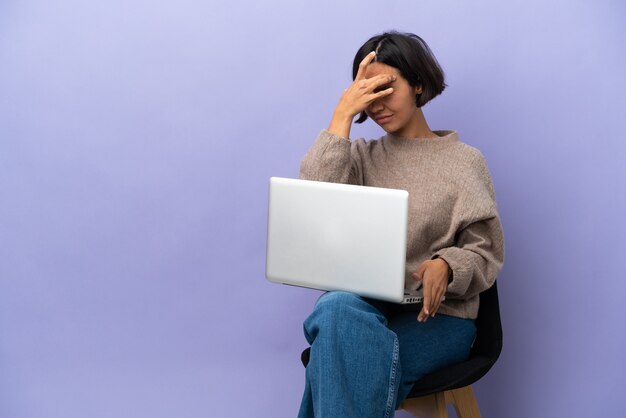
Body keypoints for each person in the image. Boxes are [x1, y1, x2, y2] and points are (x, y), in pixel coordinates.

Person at [297, 31, 505, 418]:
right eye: (367, 92)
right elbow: (314, 202)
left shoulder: (463, 161)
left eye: (386, 87)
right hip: (367, 308)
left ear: (418, 84)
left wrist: (447, 264)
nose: (377, 103)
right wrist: (341, 115)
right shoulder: (358, 157)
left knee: (338, 361)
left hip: (439, 318)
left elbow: (485, 251)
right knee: (336, 307)